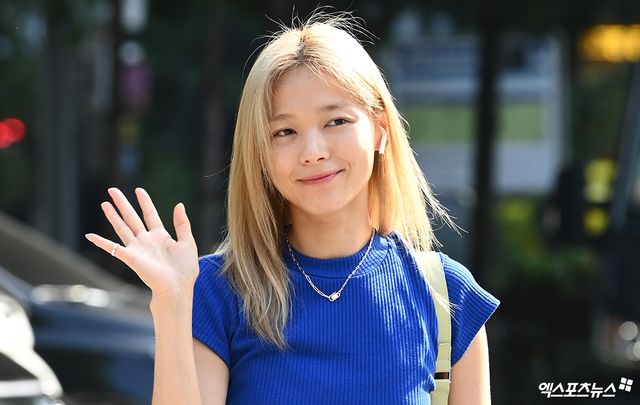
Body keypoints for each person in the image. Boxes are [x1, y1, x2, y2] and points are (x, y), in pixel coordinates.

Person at [85, 12, 500, 405]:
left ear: (380, 130)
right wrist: (172, 304)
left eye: (336, 121)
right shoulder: (217, 292)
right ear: (260, 154)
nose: (313, 151)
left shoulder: (446, 296)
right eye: (284, 131)